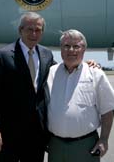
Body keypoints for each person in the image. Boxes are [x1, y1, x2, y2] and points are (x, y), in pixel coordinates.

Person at [0, 12, 98, 162]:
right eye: (29, 29)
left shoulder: (46, 54)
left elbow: (65, 68)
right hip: (8, 133)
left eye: (38, 30)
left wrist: (87, 64)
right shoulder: (1, 55)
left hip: (36, 134)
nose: (34, 33)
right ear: (20, 30)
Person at [47, 29, 114, 162]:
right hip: (55, 145)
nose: (71, 50)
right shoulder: (50, 72)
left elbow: (107, 110)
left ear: (83, 49)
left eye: (76, 46)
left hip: (85, 145)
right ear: (60, 49)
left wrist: (104, 139)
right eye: (66, 46)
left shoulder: (95, 73)